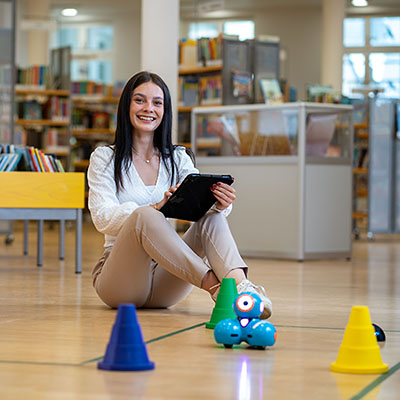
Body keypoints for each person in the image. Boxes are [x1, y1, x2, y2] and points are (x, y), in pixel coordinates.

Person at [87, 71, 272, 319]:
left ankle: (242, 289)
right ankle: (219, 290)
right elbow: (101, 218)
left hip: (166, 280)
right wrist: (154, 208)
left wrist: (218, 202)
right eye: (139, 100)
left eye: (157, 102)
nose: (148, 109)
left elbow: (202, 208)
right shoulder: (105, 157)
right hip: (120, 283)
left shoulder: (177, 158)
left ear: (165, 110)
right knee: (146, 216)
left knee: (213, 218)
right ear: (126, 106)